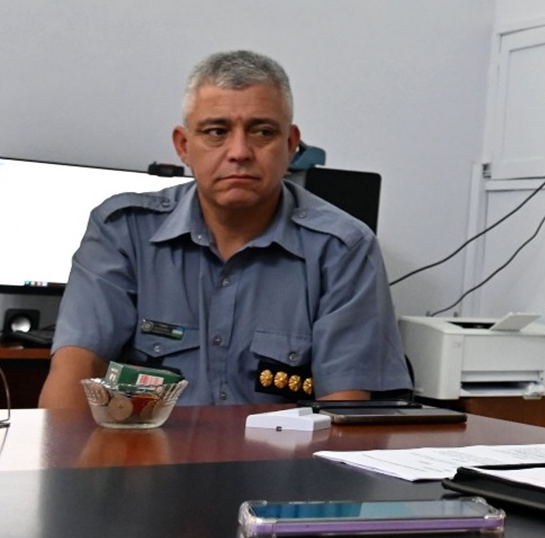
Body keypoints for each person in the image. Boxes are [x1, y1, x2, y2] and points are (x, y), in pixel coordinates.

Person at [38, 51, 409, 408]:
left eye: (262, 132)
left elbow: (343, 410)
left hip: (283, 469)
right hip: (142, 463)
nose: (239, 152)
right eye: (216, 131)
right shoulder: (123, 231)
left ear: (291, 145)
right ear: (184, 147)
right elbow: (75, 371)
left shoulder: (342, 248)